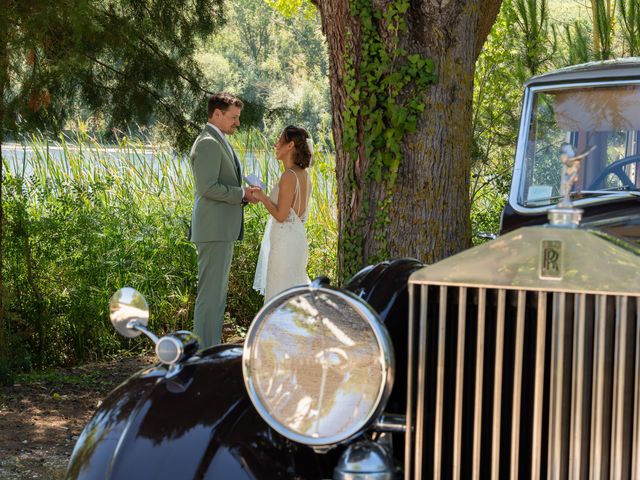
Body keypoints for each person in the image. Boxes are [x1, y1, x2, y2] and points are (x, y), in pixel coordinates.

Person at [189, 92, 259, 347]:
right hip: (213, 229)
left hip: (220, 229)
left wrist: (244, 195)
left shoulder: (217, 140)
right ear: (217, 114)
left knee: (217, 294)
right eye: (234, 117)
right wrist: (241, 193)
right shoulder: (207, 142)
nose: (237, 123)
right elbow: (207, 188)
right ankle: (203, 351)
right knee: (210, 294)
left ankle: (210, 348)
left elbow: (219, 186)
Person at [253, 126, 313, 302]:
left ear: (290, 145)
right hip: (297, 240)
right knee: (293, 292)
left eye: (279, 141)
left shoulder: (289, 176)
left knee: (279, 293)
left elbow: (281, 215)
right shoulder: (304, 175)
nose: (275, 145)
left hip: (284, 246)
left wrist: (263, 198)